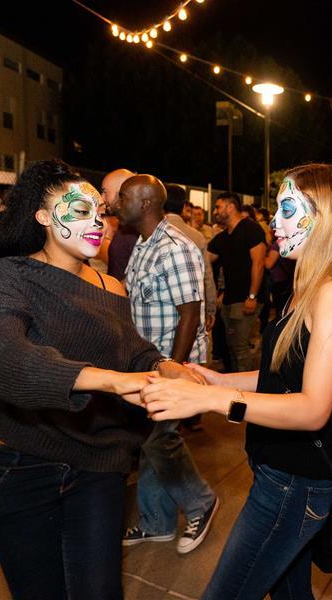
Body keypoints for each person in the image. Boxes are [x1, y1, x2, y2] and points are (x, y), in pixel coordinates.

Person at [0, 159, 199, 599]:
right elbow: (8, 361)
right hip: (21, 467)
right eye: (79, 211)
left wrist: (165, 365)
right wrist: (114, 382)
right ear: (43, 217)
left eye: (98, 212)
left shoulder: (110, 286)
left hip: (98, 466)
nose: (97, 223)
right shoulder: (1, 275)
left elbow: (132, 350)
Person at [140, 164, 332, 599]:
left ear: (324, 217)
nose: (275, 223)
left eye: (289, 210)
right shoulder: (310, 281)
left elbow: (311, 408)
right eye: (277, 210)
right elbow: (282, 375)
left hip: (295, 483)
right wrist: (216, 378)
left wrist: (211, 400)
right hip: (282, 473)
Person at [115, 175, 220, 554]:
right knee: (150, 441)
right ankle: (156, 521)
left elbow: (190, 315)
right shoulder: (144, 244)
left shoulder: (175, 247)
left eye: (123, 196)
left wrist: (173, 370)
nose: (116, 203)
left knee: (161, 440)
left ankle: (200, 502)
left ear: (144, 203)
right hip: (148, 362)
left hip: (171, 365)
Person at [207, 192, 267, 372]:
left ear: (230, 207)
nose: (215, 211)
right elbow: (205, 258)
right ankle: (235, 384)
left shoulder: (252, 229)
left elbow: (259, 264)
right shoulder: (223, 237)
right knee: (231, 347)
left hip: (246, 300)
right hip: (229, 301)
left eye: (218, 206)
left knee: (240, 349)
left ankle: (245, 392)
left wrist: (252, 296)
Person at [165, 185, 217, 332]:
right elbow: (207, 276)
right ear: (182, 207)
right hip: (193, 309)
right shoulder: (197, 237)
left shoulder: (151, 232)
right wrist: (210, 310)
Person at [100, 168, 139, 279]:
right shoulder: (126, 227)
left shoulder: (134, 231)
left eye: (105, 192)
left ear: (122, 191)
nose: (102, 198)